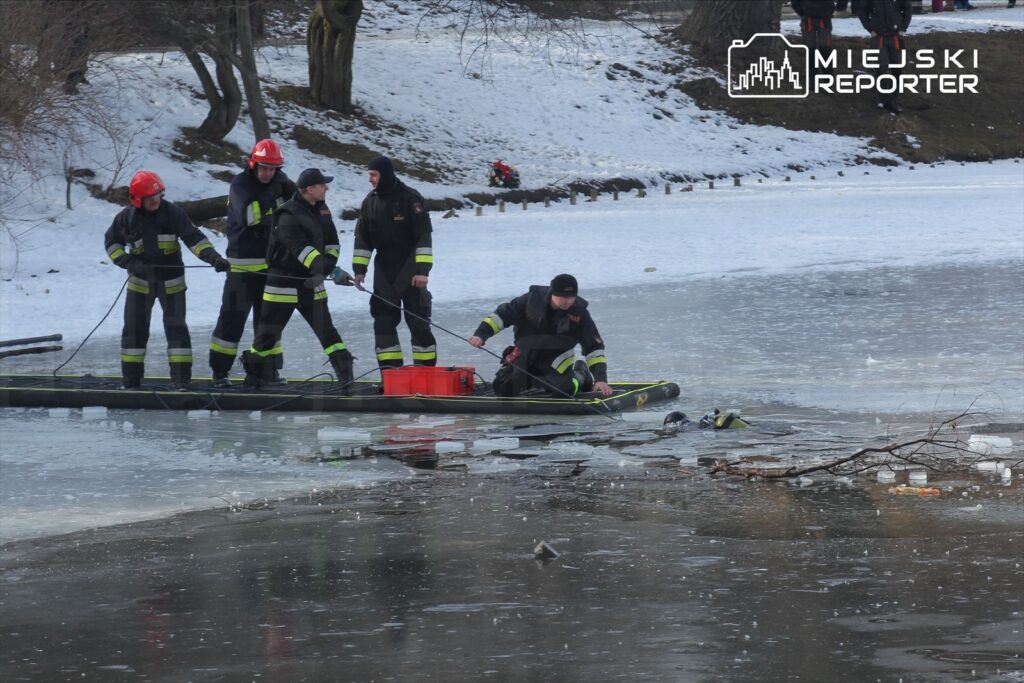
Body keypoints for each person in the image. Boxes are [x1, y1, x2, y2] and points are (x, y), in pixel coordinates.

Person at [104, 170, 230, 390]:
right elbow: (112, 244)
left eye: (158, 196)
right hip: (139, 284)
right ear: (137, 200)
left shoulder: (173, 213)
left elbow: (194, 239)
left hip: (172, 284)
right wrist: (129, 263)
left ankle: (181, 380)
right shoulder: (125, 218)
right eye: (150, 198)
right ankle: (131, 381)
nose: (156, 201)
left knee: (176, 331)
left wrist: (214, 258)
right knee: (134, 331)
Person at [241, 168, 353, 390]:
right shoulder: (287, 215)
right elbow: (303, 251)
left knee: (328, 332)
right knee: (266, 337)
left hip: (312, 282)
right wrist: (331, 271)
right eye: (322, 185)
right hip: (282, 285)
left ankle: (346, 379)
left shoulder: (322, 210)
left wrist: (325, 268)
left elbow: (332, 243)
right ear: (309, 189)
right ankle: (253, 380)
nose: (326, 188)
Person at [208, 139, 297, 388]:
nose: (268, 173)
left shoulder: (281, 185)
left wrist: (288, 190)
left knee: (268, 323)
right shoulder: (240, 185)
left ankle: (266, 372)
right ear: (253, 164)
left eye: (273, 169)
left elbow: (294, 212)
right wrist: (273, 197)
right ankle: (219, 373)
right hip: (242, 268)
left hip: (272, 266)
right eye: (264, 168)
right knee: (231, 321)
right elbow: (250, 217)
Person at [351, 155, 437, 371]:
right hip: (384, 272)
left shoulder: (410, 199)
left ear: (385, 174)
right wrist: (359, 270)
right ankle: (390, 375)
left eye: (374, 175)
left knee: (419, 325)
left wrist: (423, 271)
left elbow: (423, 238)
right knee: (383, 325)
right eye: (369, 175)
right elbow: (363, 240)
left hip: (411, 270)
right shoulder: (369, 202)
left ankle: (425, 373)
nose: (370, 179)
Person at [468, 274, 613, 398]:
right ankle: (531, 382)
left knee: (564, 393)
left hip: (557, 361)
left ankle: (581, 374)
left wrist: (600, 379)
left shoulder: (579, 313)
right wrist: (481, 334)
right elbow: (501, 316)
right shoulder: (530, 300)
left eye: (571, 297)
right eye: (563, 297)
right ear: (552, 293)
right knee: (503, 389)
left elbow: (594, 348)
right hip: (526, 357)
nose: (568, 301)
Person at [858, 0, 913, 113]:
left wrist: (903, 27)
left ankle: (894, 99)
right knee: (881, 67)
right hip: (878, 36)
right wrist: (870, 28)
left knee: (897, 68)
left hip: (895, 36)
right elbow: (862, 10)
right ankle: (883, 98)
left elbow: (908, 8)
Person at [791, 1, 845, 77]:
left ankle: (817, 76)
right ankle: (820, 76)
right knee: (817, 48)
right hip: (814, 16)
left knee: (818, 48)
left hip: (817, 16)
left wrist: (801, 11)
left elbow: (794, 3)